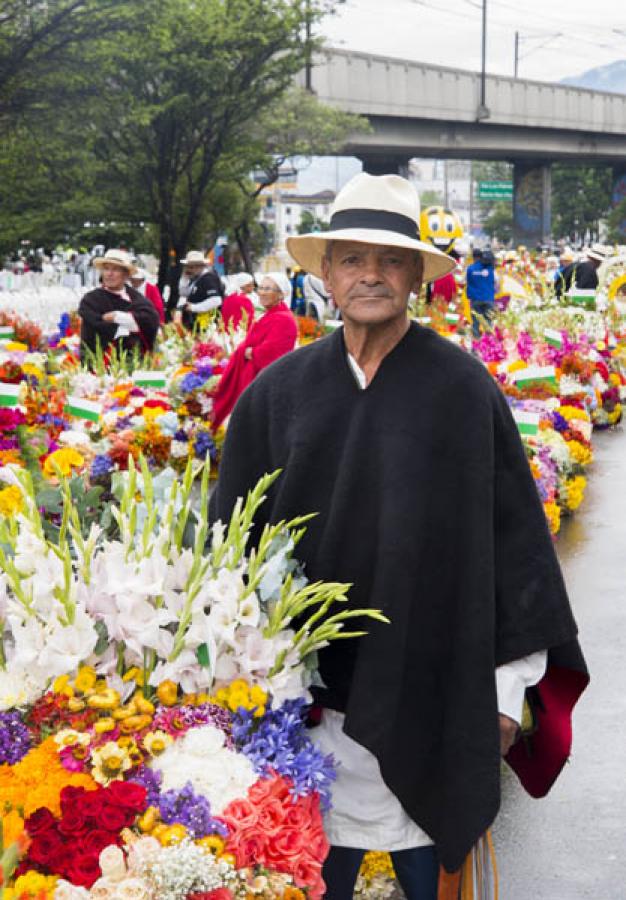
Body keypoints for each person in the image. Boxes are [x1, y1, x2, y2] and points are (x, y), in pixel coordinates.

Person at [210, 173, 588, 900]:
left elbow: (514, 554)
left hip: (434, 695)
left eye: (390, 261)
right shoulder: (275, 397)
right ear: (326, 273)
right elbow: (231, 550)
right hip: (305, 706)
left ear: (418, 274)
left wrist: (507, 694)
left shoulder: (463, 392)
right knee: (314, 875)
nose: (371, 276)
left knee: (428, 874)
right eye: (353, 259)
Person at [211, 272, 297, 430]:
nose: (262, 292)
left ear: (281, 294)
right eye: (261, 288)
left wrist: (249, 351)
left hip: (262, 385)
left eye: (268, 289)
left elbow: (272, 354)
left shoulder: (283, 318)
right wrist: (246, 350)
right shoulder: (270, 314)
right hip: (252, 379)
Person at [78, 249, 160, 359]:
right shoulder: (91, 299)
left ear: (126, 274)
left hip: (133, 360)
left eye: (115, 270)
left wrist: (117, 317)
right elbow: (95, 326)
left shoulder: (137, 299)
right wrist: (129, 327)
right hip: (100, 362)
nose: (109, 274)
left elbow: (150, 320)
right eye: (106, 269)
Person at [177, 250, 224, 329]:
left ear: (200, 266)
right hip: (197, 322)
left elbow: (216, 300)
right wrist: (184, 277)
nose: (188, 270)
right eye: (187, 267)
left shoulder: (208, 278)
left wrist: (194, 307)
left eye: (190, 267)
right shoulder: (196, 279)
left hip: (207, 322)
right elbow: (183, 292)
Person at [466, 247, 498, 338]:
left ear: (473, 257)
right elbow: (497, 283)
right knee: (488, 323)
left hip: (475, 299)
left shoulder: (470, 269)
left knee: (475, 323)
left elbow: (467, 282)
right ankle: (488, 343)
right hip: (488, 298)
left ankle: (476, 343)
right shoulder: (491, 269)